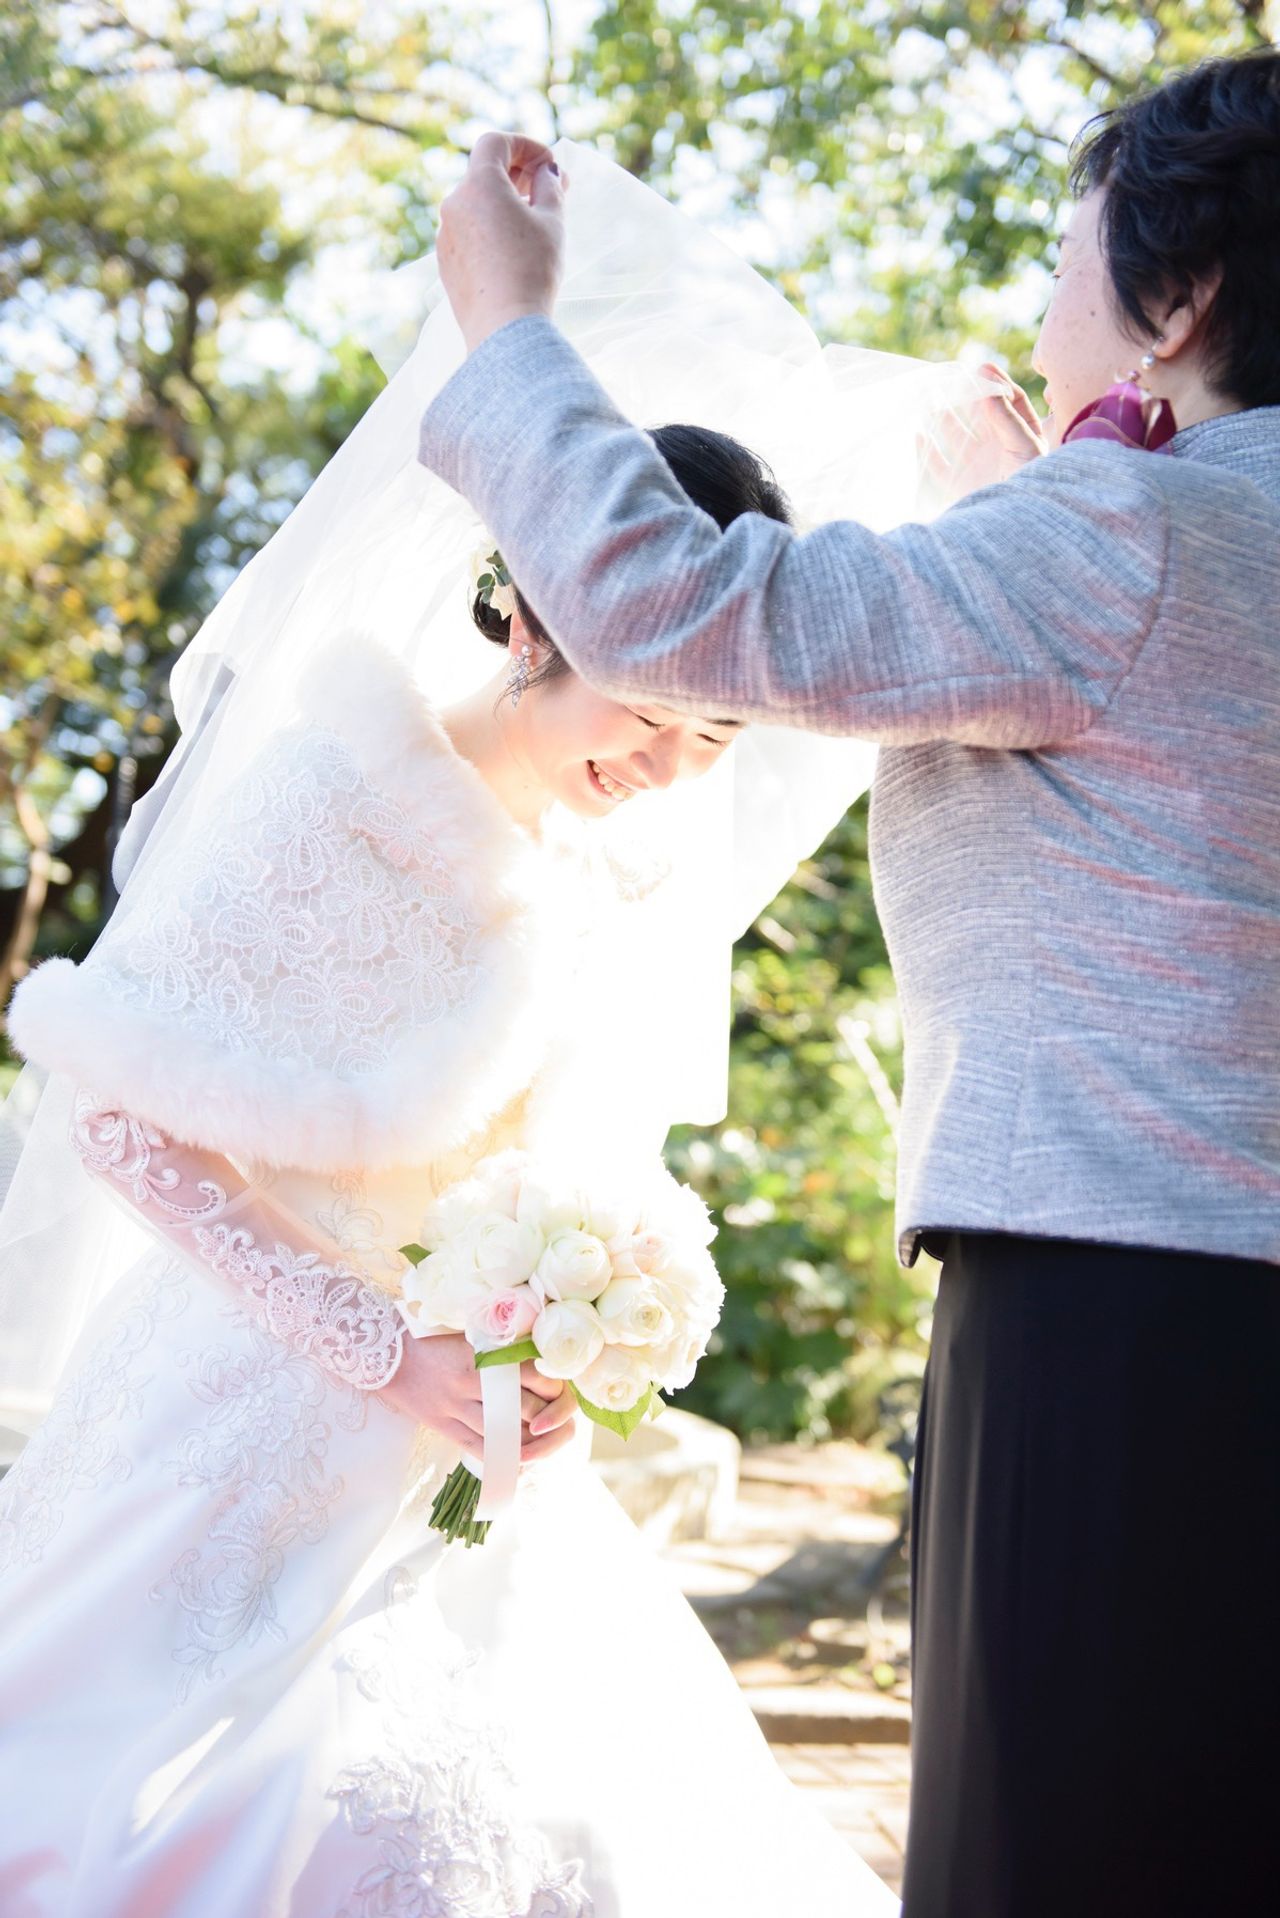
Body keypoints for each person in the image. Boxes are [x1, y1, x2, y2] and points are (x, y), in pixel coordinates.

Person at [0, 151, 937, 1917]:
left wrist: (562, 1320)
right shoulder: (328, 790)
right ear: (536, 617)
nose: (668, 767)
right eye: (650, 711)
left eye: (715, 739)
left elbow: (536, 1163)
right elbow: (126, 1123)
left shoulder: (602, 872)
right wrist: (382, 1348)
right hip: (233, 1417)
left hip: (467, 1444)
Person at [416, 52, 1280, 1918]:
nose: (1042, 313)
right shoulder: (1148, 528)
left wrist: (506, 320)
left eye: (1068, 260)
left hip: (1118, 1324)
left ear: (1181, 296)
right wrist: (1039, 506)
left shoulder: (1119, 537)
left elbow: (682, 610)